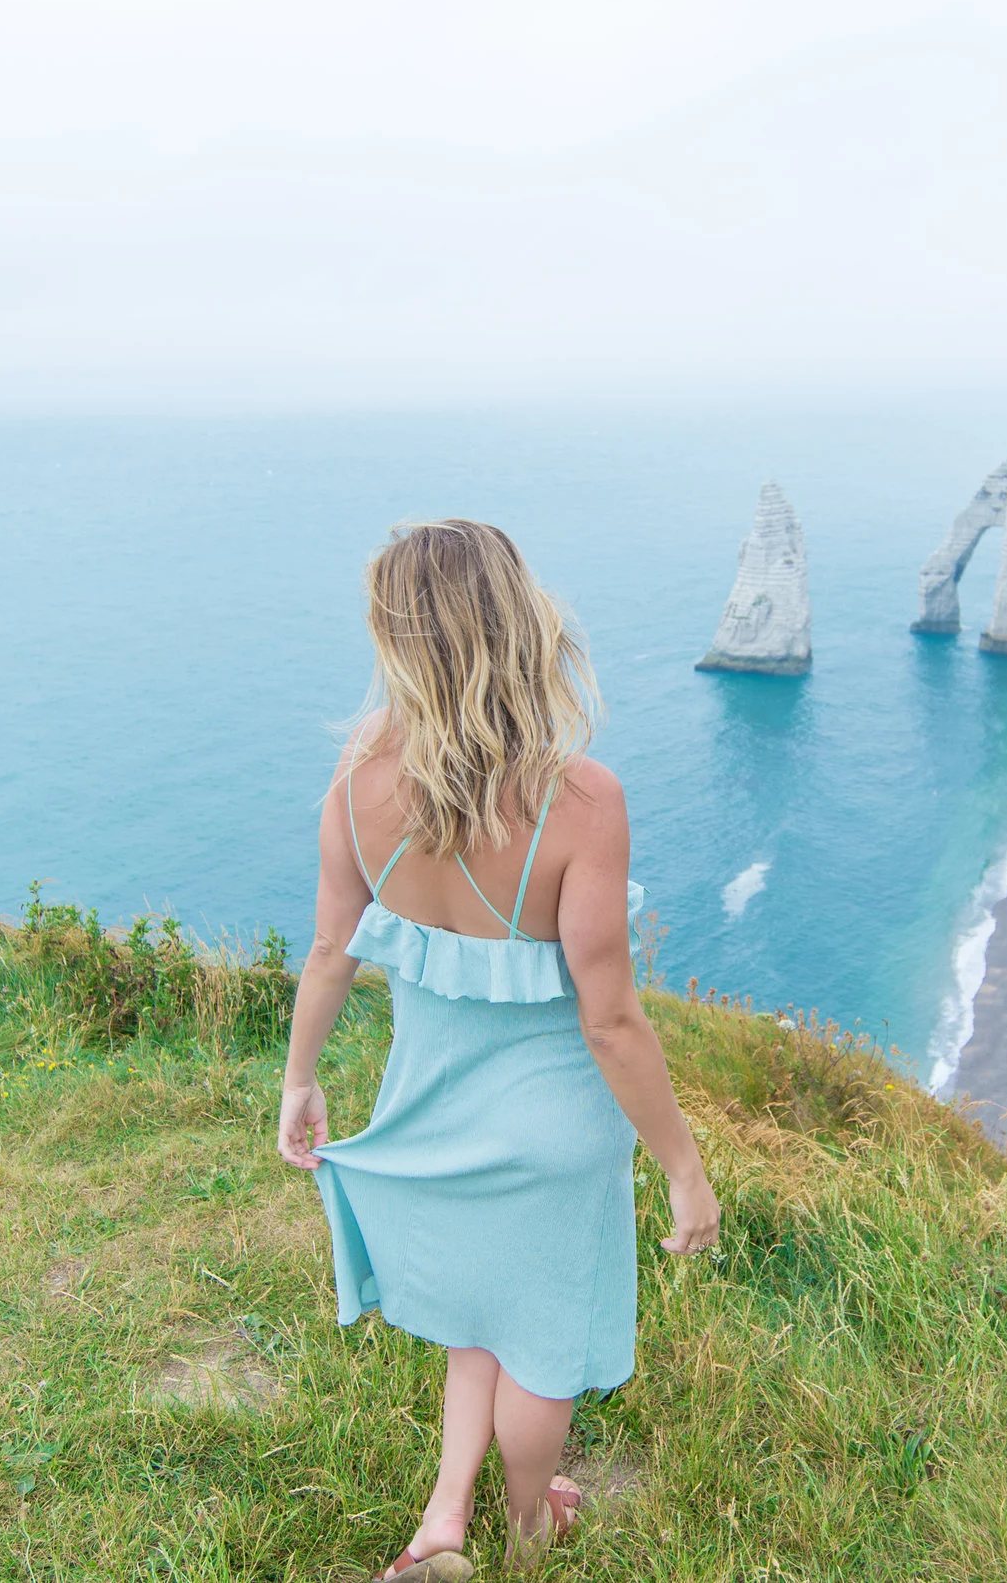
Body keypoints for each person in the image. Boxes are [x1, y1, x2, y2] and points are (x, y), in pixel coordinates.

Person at [277, 519, 721, 1580]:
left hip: (430, 1100)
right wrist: (684, 1167)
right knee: (540, 1339)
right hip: (554, 1125)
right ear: (519, 622)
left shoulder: (356, 776)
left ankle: (442, 1519)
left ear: (396, 637)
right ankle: (528, 1521)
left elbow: (332, 949)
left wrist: (300, 1077)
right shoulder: (582, 801)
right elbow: (611, 1020)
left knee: (480, 1306)